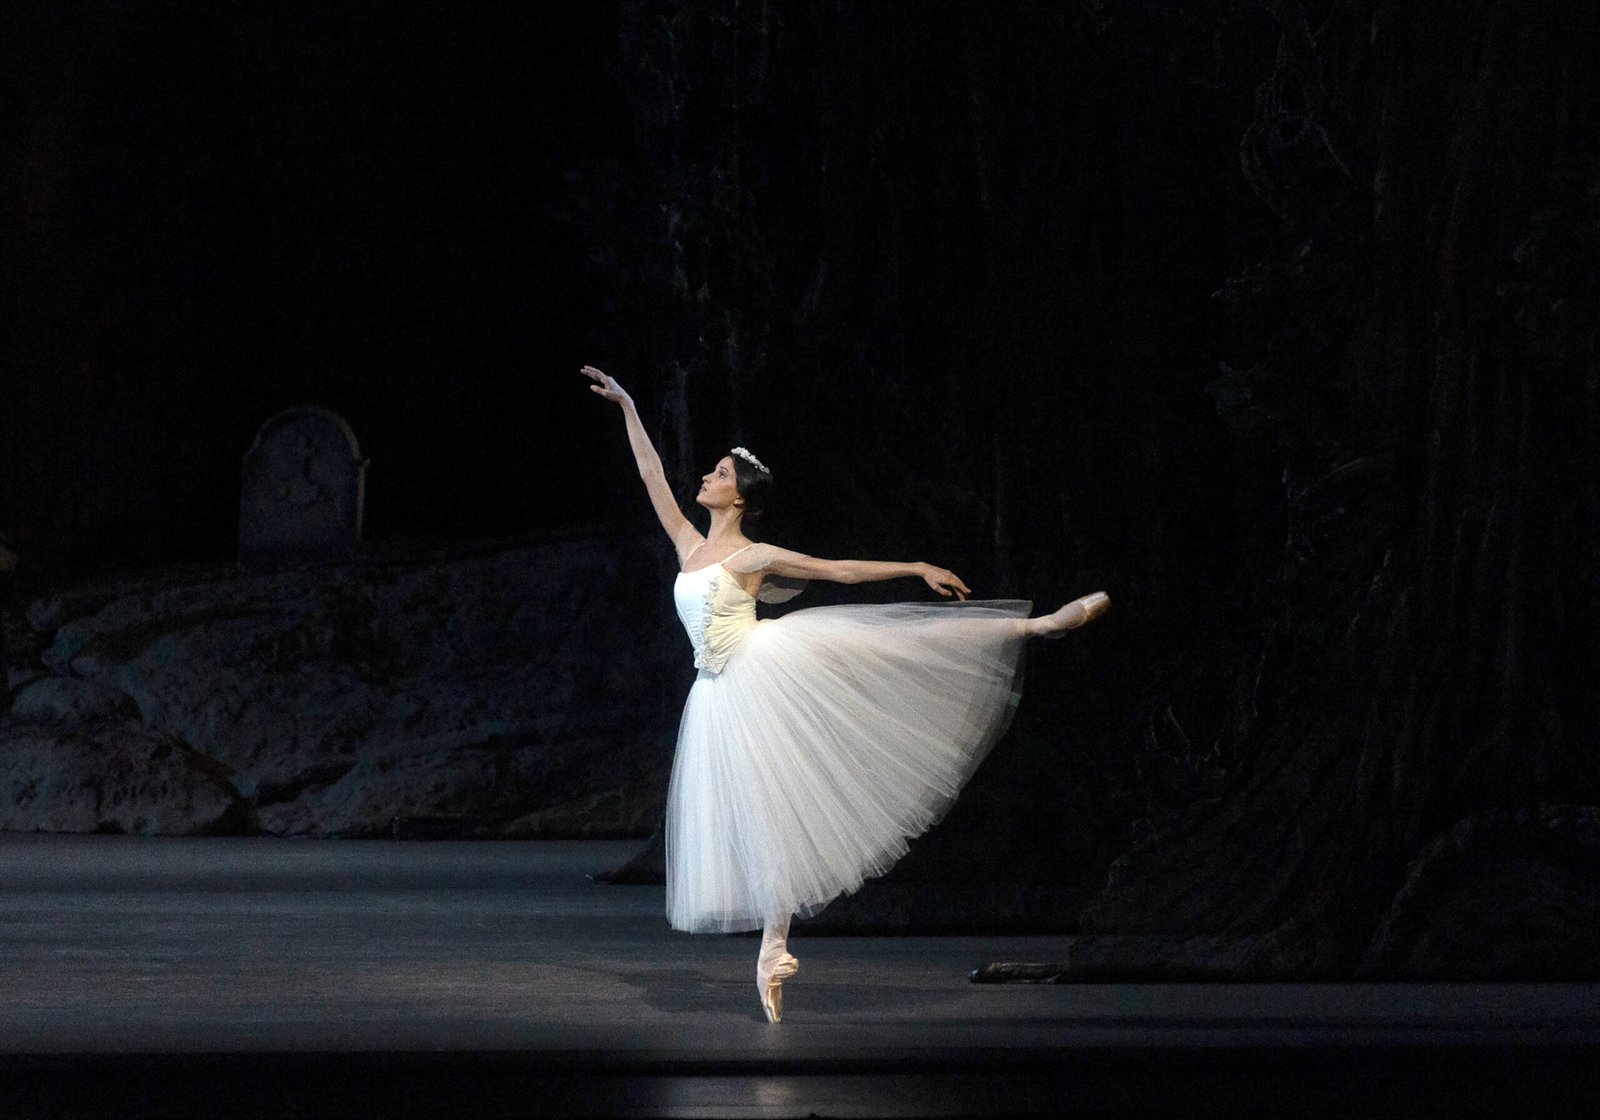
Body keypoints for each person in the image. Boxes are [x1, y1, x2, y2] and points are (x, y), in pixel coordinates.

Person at [583, 365, 1109, 1022]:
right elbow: (651, 475)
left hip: (761, 669)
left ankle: (1037, 624)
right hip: (714, 693)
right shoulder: (689, 546)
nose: (707, 478)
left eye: (719, 474)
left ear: (738, 498)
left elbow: (840, 571)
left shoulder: (751, 556)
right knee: (762, 815)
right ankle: (774, 950)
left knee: (895, 647)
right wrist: (629, 405)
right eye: (711, 471)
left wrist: (915, 566)